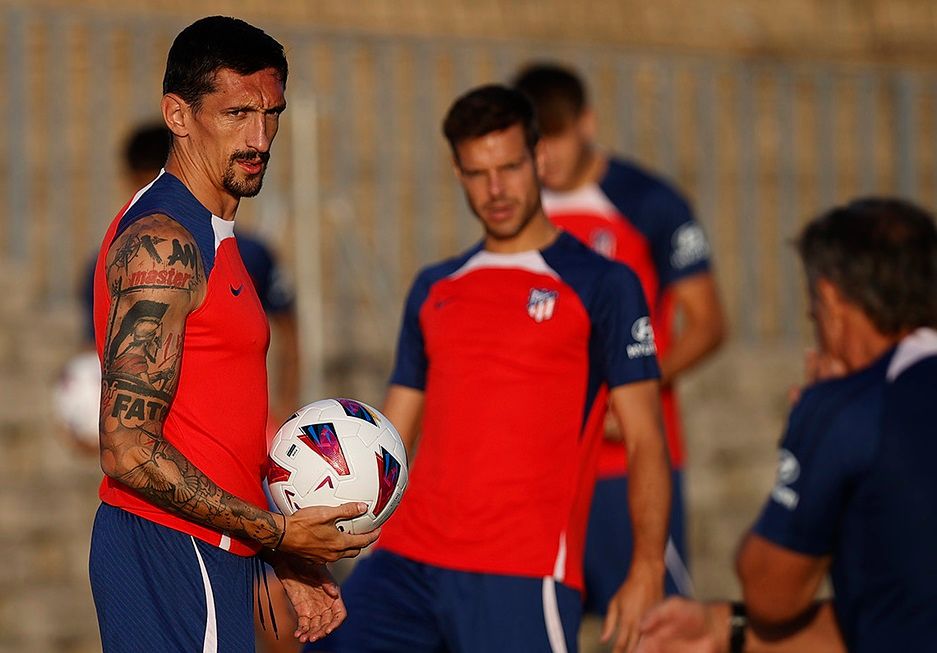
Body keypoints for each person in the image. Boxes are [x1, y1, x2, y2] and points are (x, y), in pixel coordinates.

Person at [311, 85, 671, 653]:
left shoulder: (604, 284)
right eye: (478, 173)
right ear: (458, 172)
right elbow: (391, 437)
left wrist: (647, 566)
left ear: (539, 159)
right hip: (406, 561)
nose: (496, 189)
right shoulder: (436, 287)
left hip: (522, 572)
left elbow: (648, 438)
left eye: (509, 167)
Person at [88, 16, 378, 652]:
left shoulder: (217, 234)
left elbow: (217, 424)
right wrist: (277, 534)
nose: (259, 137)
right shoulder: (165, 243)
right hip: (171, 550)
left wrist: (281, 557)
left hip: (207, 547)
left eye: (271, 113)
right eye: (236, 113)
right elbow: (128, 449)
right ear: (178, 114)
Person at [636, 197, 937, 653]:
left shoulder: (850, 410)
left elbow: (770, 594)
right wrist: (725, 629)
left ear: (833, 302)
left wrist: (807, 429)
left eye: (813, 313)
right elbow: (896, 611)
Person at [513, 63, 726, 611]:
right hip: (541, 471)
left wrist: (638, 386)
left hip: (627, 463)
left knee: (657, 629)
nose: (547, 157)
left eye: (556, 137)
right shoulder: (515, 209)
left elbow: (707, 323)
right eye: (536, 142)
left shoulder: (649, 202)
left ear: (587, 122)